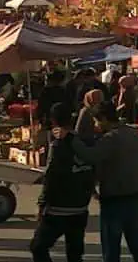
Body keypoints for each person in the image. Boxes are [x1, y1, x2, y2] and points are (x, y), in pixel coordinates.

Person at [59, 102, 138, 262]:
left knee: (111, 250)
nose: (96, 126)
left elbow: (91, 156)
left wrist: (71, 139)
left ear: (103, 118)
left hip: (116, 200)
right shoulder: (134, 135)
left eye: (96, 122)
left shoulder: (111, 138)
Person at [31, 103, 95, 262]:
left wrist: (42, 203)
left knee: (38, 247)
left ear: (52, 120)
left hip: (59, 208)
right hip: (80, 207)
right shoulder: (85, 142)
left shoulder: (59, 145)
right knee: (74, 254)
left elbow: (51, 176)